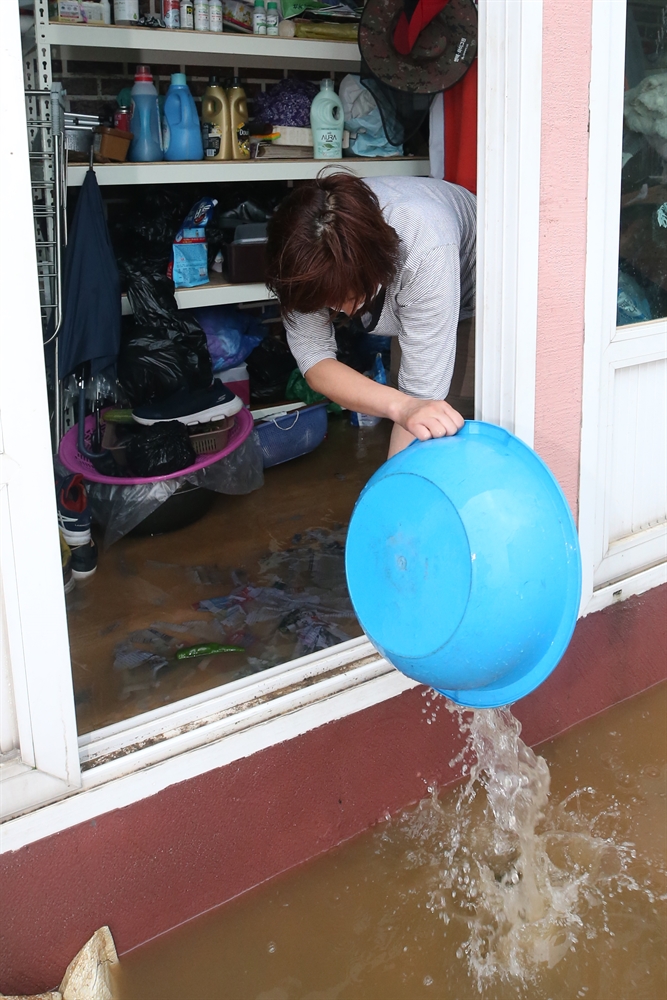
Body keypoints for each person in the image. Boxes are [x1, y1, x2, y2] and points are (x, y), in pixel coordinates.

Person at [266, 171, 476, 457]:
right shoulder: (301, 251)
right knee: (399, 400)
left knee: (448, 416)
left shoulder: (425, 247)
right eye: (326, 303)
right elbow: (314, 358)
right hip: (407, 282)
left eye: (348, 297)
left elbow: (422, 401)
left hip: (475, 292)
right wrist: (401, 407)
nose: (340, 310)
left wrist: (409, 408)